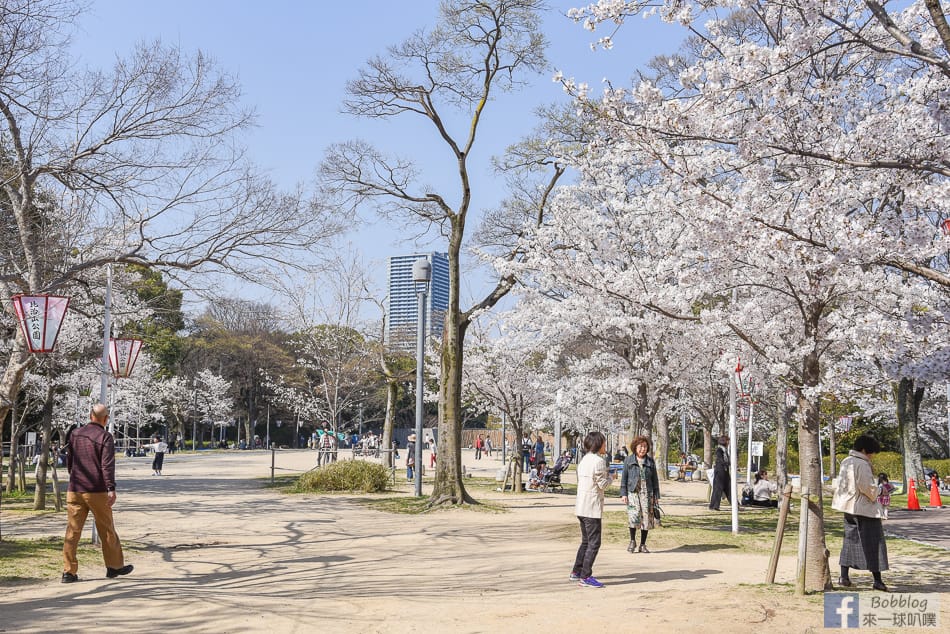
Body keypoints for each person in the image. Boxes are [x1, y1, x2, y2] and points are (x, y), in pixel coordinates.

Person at [62, 404, 133, 583]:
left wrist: (75, 476)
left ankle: (68, 572)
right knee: (106, 528)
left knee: (72, 531)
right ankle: (114, 566)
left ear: (90, 415)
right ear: (106, 419)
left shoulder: (75, 434)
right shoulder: (105, 436)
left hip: (75, 488)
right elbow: (106, 465)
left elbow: (69, 461)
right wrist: (111, 488)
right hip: (97, 489)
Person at [832, 434, 889, 592]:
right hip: (863, 509)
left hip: (848, 507)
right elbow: (866, 487)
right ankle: (877, 580)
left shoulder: (846, 461)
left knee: (850, 541)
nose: (871, 456)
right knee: (874, 543)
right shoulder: (862, 463)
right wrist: (880, 490)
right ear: (864, 450)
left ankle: (844, 577)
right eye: (870, 452)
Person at [570, 431, 612, 588]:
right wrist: (611, 478)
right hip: (592, 507)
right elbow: (603, 485)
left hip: (581, 506)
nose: (605, 446)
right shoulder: (599, 461)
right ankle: (585, 576)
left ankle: (577, 571)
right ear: (598, 444)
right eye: (604, 443)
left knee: (586, 541)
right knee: (594, 543)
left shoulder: (584, 460)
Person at [619, 435, 661, 553]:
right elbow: (624, 479)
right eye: (640, 446)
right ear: (635, 447)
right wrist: (623, 494)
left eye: (645, 446)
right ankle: (632, 541)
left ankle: (643, 544)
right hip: (633, 492)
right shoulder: (629, 460)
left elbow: (655, 480)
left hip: (647, 493)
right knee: (633, 516)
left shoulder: (650, 461)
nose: (643, 449)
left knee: (646, 519)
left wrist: (656, 496)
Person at [709, 435, 730, 510]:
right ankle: (714, 505)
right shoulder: (719, 450)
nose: (728, 443)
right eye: (727, 441)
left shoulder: (725, 450)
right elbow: (720, 460)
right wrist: (727, 463)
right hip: (720, 472)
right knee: (718, 489)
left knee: (728, 488)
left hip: (725, 472)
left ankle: (735, 505)